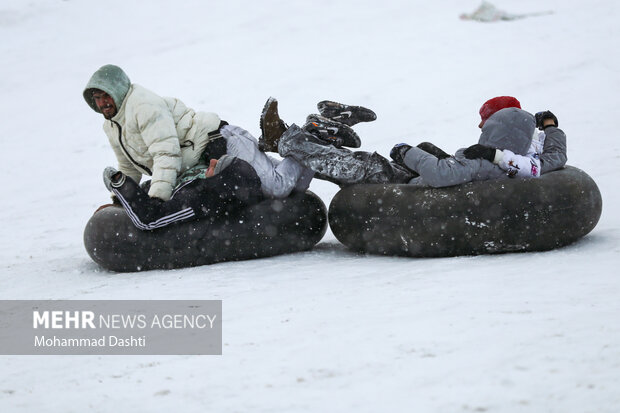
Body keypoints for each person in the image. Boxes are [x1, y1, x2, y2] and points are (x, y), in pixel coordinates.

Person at [85, 65, 314, 209]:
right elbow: (128, 166)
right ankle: (315, 143)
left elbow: (166, 154)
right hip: (212, 158)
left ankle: (306, 138)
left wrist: (156, 200)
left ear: (118, 89)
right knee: (298, 185)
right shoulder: (113, 125)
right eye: (98, 97)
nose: (104, 102)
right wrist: (125, 196)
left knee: (277, 187)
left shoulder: (143, 106)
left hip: (223, 143)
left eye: (107, 95)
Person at [259, 96, 566, 188]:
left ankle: (288, 138)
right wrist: (551, 126)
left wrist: (408, 153)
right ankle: (322, 134)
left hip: (415, 187)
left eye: (485, 122)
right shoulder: (531, 159)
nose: (479, 126)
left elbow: (442, 174)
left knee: (357, 168)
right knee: (365, 164)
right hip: (422, 180)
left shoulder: (484, 158)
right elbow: (557, 155)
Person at [102, 155, 263, 230]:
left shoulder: (201, 199)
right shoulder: (207, 183)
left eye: (217, 166)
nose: (212, 161)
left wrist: (121, 185)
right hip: (172, 186)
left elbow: (148, 220)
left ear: (220, 178)